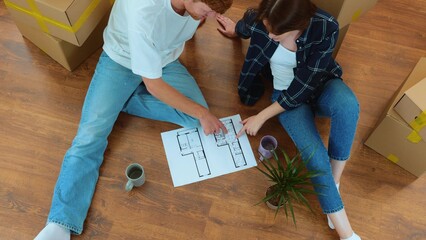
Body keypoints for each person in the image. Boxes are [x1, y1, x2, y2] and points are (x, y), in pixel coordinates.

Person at [34, 0, 232, 239]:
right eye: (207, 10)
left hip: (164, 61)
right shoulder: (145, 10)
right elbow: (154, 84)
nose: (210, 17)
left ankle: (120, 102)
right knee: (90, 137)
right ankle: (61, 223)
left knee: (194, 119)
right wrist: (202, 113)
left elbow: (184, 28)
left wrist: (200, 114)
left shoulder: (195, 8)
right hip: (121, 60)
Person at [216, 0, 360, 239]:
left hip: (320, 85)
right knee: (313, 153)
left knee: (348, 105)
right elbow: (247, 26)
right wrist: (235, 30)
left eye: (278, 32)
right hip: (284, 96)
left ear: (299, 24)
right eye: (267, 27)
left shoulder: (325, 27)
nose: (270, 34)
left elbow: (304, 85)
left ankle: (334, 185)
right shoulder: (262, 20)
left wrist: (261, 116)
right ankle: (348, 232)